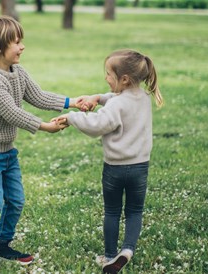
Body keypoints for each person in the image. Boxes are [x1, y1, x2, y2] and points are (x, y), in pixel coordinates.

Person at [0, 16, 81, 272]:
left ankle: (1, 246)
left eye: (21, 41)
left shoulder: (17, 72)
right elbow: (13, 113)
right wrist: (45, 127)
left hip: (7, 151)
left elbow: (39, 96)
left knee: (16, 200)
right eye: (16, 42)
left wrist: (72, 101)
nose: (22, 47)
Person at [54, 49, 164, 274]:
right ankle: (128, 250)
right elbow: (118, 99)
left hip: (115, 169)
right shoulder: (143, 97)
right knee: (135, 210)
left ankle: (110, 255)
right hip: (140, 167)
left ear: (123, 79)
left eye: (108, 74)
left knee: (112, 211)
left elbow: (97, 126)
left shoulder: (116, 106)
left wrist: (73, 117)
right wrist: (98, 97)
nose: (106, 78)